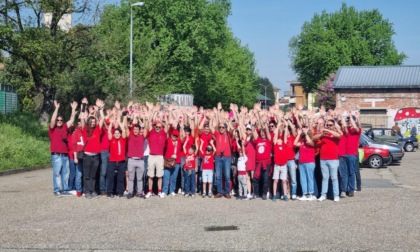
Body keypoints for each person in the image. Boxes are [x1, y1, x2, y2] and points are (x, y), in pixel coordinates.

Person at [49, 100, 77, 197]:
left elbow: (72, 119)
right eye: (58, 120)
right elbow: (52, 121)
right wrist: (56, 108)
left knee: (65, 173)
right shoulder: (52, 129)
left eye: (61, 120)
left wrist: (73, 109)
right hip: (56, 154)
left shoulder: (65, 127)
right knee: (57, 173)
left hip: (65, 155)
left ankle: (65, 189)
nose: (59, 121)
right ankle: (57, 190)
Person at [313, 119, 342, 202]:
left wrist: (327, 130)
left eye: (330, 125)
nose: (328, 126)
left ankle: (336, 195)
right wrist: (321, 134)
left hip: (333, 159)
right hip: (323, 159)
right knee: (325, 178)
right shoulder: (323, 134)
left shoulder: (335, 134)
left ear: (333, 126)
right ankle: (323, 195)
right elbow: (314, 138)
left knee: (334, 178)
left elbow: (339, 136)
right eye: (327, 125)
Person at [81, 99, 105, 199]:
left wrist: (100, 109)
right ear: (88, 122)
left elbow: (102, 119)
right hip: (87, 155)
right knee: (86, 175)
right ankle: (87, 191)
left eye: (94, 121)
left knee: (93, 174)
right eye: (91, 121)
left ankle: (92, 190)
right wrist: (83, 106)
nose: (92, 123)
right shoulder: (85, 129)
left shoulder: (98, 130)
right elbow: (82, 119)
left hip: (95, 156)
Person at [125, 115, 147, 198]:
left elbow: (145, 130)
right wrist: (125, 118)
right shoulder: (130, 136)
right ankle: (130, 192)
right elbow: (126, 129)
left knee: (139, 178)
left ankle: (139, 192)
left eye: (137, 129)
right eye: (134, 129)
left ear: (139, 130)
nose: (135, 131)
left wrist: (145, 120)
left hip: (140, 160)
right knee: (131, 178)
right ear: (133, 130)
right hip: (131, 160)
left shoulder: (142, 137)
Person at [145, 120, 168, 199]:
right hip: (151, 156)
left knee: (160, 175)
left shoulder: (163, 133)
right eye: (156, 127)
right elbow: (148, 126)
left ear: (162, 128)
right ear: (154, 126)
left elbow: (167, 126)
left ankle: (159, 191)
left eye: (159, 127)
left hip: (160, 156)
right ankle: (150, 191)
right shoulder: (151, 132)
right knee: (150, 175)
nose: (158, 128)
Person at [106, 117, 127, 198]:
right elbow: (109, 132)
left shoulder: (123, 139)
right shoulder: (112, 139)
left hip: (121, 161)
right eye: (116, 133)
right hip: (112, 161)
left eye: (118, 133)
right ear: (114, 134)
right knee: (110, 177)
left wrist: (121, 125)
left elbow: (124, 131)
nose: (117, 134)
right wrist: (111, 123)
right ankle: (110, 192)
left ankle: (120, 192)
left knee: (121, 178)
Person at [294, 125, 316, 201]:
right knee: (303, 178)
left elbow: (309, 142)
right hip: (301, 162)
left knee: (309, 178)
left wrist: (306, 133)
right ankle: (304, 193)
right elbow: (295, 144)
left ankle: (310, 194)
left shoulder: (312, 141)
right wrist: (299, 134)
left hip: (310, 162)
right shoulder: (302, 141)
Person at [252, 124, 272, 200]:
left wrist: (265, 125)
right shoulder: (258, 140)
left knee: (265, 178)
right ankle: (256, 193)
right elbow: (254, 133)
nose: (263, 133)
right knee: (255, 178)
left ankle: (264, 193)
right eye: (261, 132)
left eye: (264, 132)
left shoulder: (268, 140)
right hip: (258, 163)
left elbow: (267, 131)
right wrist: (253, 126)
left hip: (266, 163)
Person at [162, 128, 182, 198]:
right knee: (166, 177)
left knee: (174, 177)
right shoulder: (167, 141)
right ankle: (164, 191)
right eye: (174, 135)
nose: (175, 137)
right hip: (168, 161)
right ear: (171, 135)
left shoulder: (179, 142)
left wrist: (181, 127)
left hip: (177, 162)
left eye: (176, 136)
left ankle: (172, 190)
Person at [272, 122, 289, 202]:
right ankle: (274, 195)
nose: (279, 139)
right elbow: (275, 135)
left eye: (280, 139)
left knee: (284, 181)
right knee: (275, 180)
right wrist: (278, 127)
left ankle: (285, 195)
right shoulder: (275, 145)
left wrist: (286, 126)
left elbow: (285, 136)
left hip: (284, 165)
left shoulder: (284, 144)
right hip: (277, 165)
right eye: (278, 139)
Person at [345, 115, 362, 196]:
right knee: (346, 172)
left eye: (350, 121)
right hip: (344, 154)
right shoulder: (347, 129)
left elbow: (356, 127)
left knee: (352, 172)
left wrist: (353, 118)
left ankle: (351, 189)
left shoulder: (356, 131)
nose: (349, 122)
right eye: (348, 121)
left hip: (352, 154)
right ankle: (346, 188)